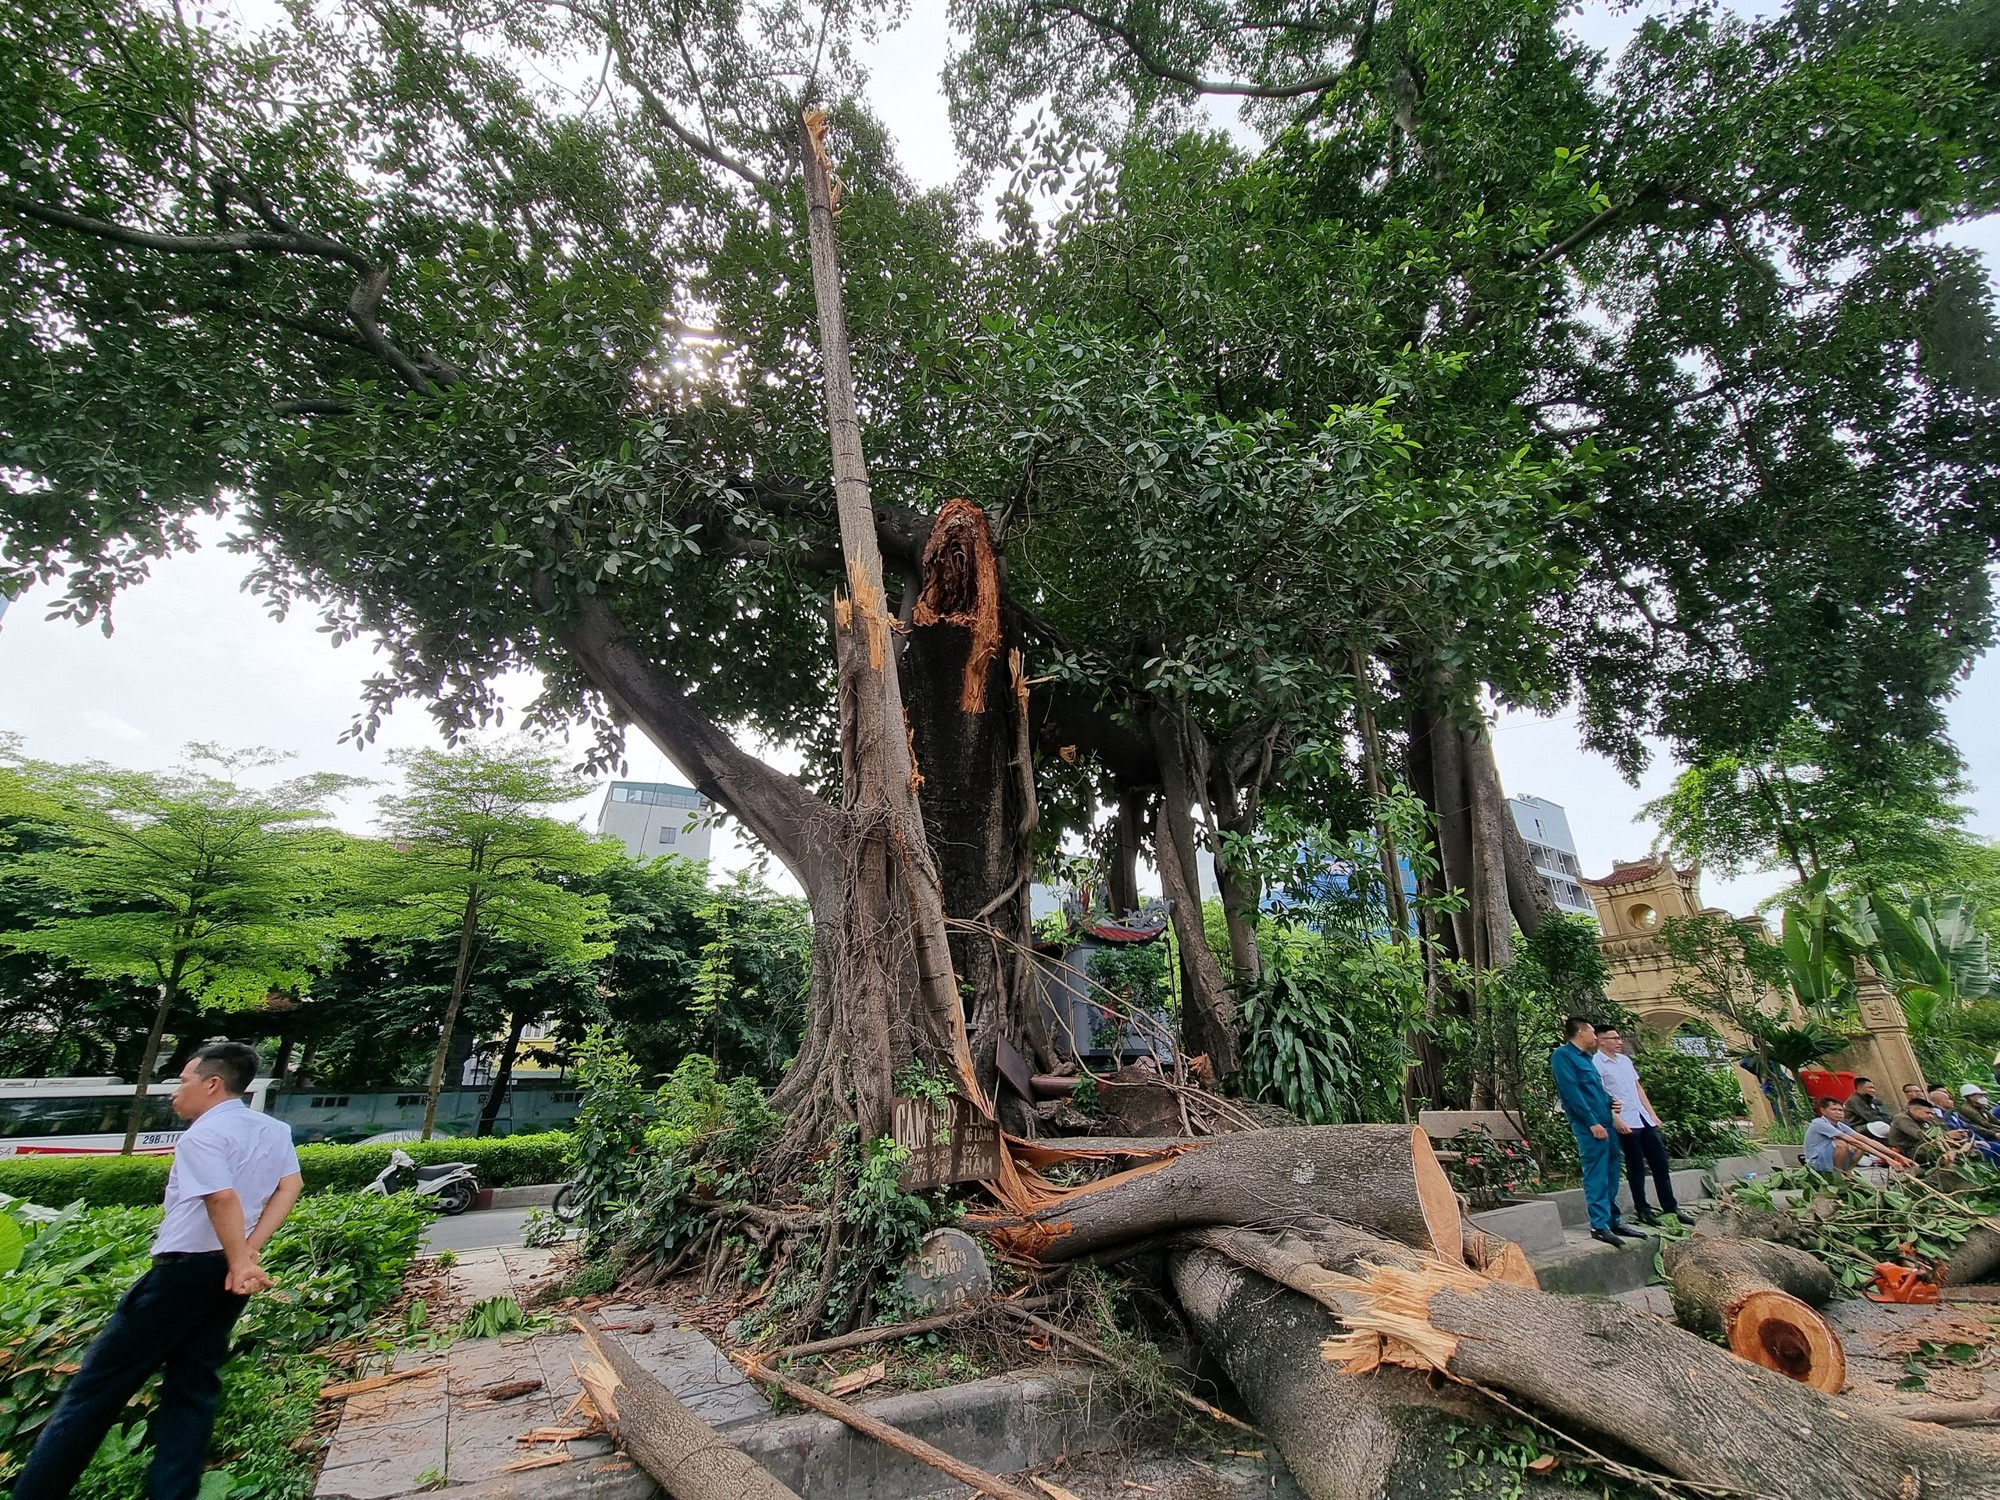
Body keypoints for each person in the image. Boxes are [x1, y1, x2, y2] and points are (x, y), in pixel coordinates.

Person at [12, 1043, 303, 1500]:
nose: (175, 1091)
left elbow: (219, 1197)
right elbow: (291, 1185)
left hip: (181, 1273)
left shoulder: (201, 1136)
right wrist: (246, 1254)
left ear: (212, 1083)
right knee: (192, 1389)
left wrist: (241, 1257)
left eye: (182, 1080)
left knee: (94, 1393)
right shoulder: (273, 1128)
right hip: (227, 1277)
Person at [1550, 1016, 1642, 1247]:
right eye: (1592, 1032)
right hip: (1590, 1126)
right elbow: (1571, 1093)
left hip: (1606, 1121)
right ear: (1581, 1033)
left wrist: (1611, 1103)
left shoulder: (1587, 1059)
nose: (1595, 1037)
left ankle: (1613, 1220)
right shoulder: (1563, 1056)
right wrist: (1591, 1122)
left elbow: (1596, 1090)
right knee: (1596, 1174)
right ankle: (1599, 1225)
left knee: (1612, 1172)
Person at [1591, 1024, 1680, 1225]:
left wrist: (1652, 1114)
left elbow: (1637, 1088)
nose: (1619, 1041)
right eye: (1613, 1038)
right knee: (1636, 1166)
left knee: (1660, 1163)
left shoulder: (1624, 1061)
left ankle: (1671, 1207)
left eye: (1619, 1038)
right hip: (1625, 1121)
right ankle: (1643, 1208)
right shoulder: (1596, 1064)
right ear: (1601, 1040)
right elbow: (1601, 1096)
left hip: (1642, 1118)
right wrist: (1616, 1119)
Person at [1803, 1096, 1874, 1173]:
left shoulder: (1840, 1125)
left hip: (1828, 1158)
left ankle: (1847, 1172)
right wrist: (1883, 1157)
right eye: (1834, 1109)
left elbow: (1866, 1140)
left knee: (1860, 1147)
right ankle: (1838, 1174)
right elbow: (1851, 1140)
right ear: (1823, 1111)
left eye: (1840, 1110)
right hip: (1816, 1162)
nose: (1838, 1113)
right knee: (1841, 1144)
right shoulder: (1818, 1123)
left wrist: (1888, 1154)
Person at [1886, 1096, 1951, 1164]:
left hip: (1921, 1147)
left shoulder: (1923, 1119)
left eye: (1931, 1113)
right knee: (1941, 1157)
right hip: (1906, 1151)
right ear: (1916, 1110)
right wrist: (1947, 1135)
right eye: (1927, 1113)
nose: (1930, 1116)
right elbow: (1920, 1136)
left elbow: (1939, 1129)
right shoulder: (1902, 1118)